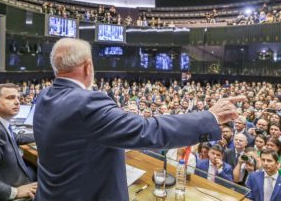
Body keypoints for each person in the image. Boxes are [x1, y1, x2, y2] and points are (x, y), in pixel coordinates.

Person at [33, 38, 244, 201]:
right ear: (88, 67)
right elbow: (148, 130)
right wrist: (210, 117)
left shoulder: (44, 96)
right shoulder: (87, 102)